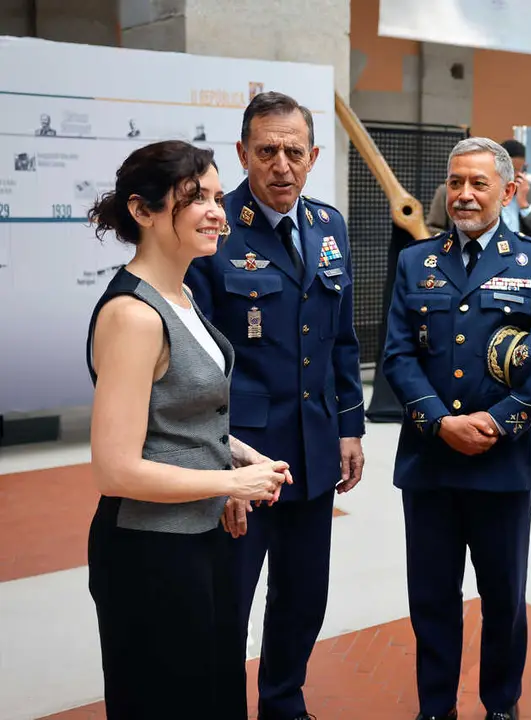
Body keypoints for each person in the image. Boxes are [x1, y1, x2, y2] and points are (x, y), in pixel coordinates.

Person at [85, 140, 291, 719]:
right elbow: (115, 468)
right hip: (151, 554)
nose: (216, 211)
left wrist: (241, 457)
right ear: (142, 211)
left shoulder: (183, 295)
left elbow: (179, 418)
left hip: (201, 542)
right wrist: (230, 486)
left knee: (216, 697)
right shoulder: (134, 314)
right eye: (194, 197)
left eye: (218, 196)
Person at [185, 91, 366, 720]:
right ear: (242, 154)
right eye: (267, 151)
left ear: (314, 156)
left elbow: (341, 337)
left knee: (302, 597)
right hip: (243, 457)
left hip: (314, 456)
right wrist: (219, 467)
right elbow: (199, 364)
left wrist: (350, 427)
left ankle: (284, 704)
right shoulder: (215, 227)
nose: (281, 165)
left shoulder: (329, 226)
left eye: (294, 151)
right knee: (227, 603)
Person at [382, 137, 531, 720]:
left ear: (508, 190)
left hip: (500, 463)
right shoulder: (417, 261)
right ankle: (435, 708)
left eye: (479, 184)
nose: (464, 195)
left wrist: (498, 421)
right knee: (432, 601)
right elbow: (396, 356)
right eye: (455, 182)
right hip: (430, 464)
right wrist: (440, 422)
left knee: (503, 601)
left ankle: (501, 705)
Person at [427, 139, 531, 249]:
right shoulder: (447, 192)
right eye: (509, 170)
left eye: (519, 171)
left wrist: (525, 206)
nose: (465, 195)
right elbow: (432, 229)